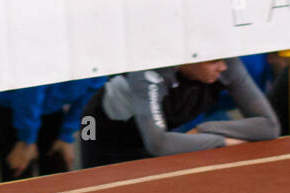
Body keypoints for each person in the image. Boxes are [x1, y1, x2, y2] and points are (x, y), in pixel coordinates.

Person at [80, 57, 279, 167]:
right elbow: (158, 144)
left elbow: (269, 127)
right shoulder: (150, 74)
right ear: (186, 59)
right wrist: (221, 141)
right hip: (99, 128)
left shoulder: (228, 66)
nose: (222, 67)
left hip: (159, 128)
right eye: (213, 61)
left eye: (224, 59)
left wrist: (205, 129)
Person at [0, 77, 107, 181]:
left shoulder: (98, 62)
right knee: (18, 170)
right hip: (14, 105)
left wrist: (66, 136)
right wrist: (26, 140)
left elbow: (88, 97)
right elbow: (29, 93)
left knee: (58, 168)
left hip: (52, 106)